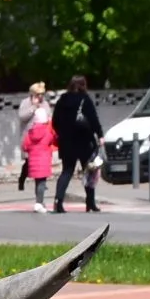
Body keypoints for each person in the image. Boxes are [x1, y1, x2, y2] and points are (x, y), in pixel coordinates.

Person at [49, 75, 103, 214]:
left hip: (66, 142)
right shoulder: (85, 99)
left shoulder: (62, 100)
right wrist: (100, 135)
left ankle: (57, 202)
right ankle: (90, 203)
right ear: (83, 85)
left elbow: (54, 121)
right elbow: (93, 119)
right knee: (89, 171)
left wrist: (64, 132)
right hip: (84, 140)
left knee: (67, 171)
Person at [15, 81, 51, 191]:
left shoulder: (45, 103)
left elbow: (49, 116)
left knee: (41, 161)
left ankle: (40, 184)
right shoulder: (26, 103)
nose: (40, 97)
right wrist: (33, 107)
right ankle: (22, 179)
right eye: (37, 94)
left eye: (42, 94)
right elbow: (22, 116)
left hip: (42, 138)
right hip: (29, 137)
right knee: (29, 162)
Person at [22, 112, 58, 213]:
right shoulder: (47, 132)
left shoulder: (30, 132)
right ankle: (38, 203)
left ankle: (39, 202)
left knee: (38, 183)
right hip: (44, 161)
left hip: (33, 162)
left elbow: (25, 146)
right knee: (42, 183)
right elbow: (53, 139)